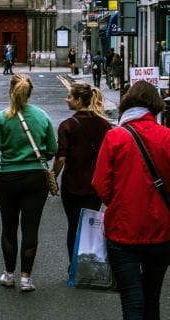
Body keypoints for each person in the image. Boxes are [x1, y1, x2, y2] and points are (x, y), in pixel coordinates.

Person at [93, 81, 170, 320]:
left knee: (132, 301)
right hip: (160, 231)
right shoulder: (169, 137)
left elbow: (100, 183)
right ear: (155, 106)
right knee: (152, 299)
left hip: (122, 231)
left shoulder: (115, 136)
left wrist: (119, 203)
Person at [0, 73, 57, 292]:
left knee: (9, 227)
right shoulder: (42, 116)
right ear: (30, 92)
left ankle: (8, 274)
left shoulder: (2, 118)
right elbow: (52, 149)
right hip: (36, 178)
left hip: (9, 178)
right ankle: (26, 278)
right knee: (31, 228)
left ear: (10, 91)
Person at [52, 77, 112, 262]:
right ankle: (91, 266)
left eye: (69, 96)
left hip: (72, 185)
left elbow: (61, 157)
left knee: (73, 226)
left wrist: (53, 177)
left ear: (78, 100)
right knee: (90, 226)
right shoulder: (104, 125)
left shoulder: (67, 125)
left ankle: (74, 267)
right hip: (95, 185)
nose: (66, 99)